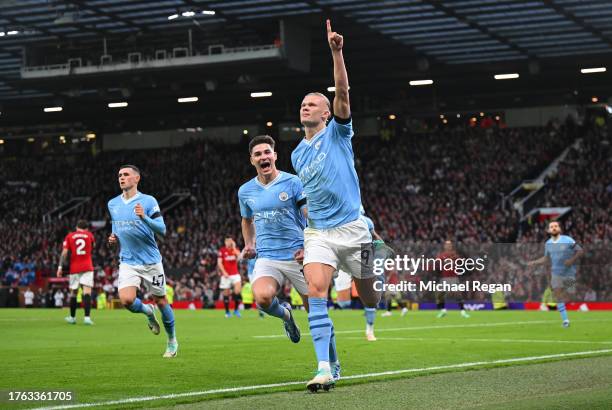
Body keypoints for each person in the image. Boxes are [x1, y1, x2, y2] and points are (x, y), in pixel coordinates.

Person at [291, 20, 381, 392]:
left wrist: (336, 52)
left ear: (326, 113)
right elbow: (308, 198)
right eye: (302, 103)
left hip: (353, 227)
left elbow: (342, 91)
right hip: (320, 234)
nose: (305, 106)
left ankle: (374, 293)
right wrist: (304, 235)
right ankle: (325, 367)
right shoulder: (296, 154)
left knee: (368, 291)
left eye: (313, 103)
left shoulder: (338, 133)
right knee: (316, 291)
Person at [239, 134, 309, 341]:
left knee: (316, 312)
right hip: (268, 256)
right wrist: (249, 244)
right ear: (252, 160)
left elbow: (308, 215)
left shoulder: (293, 182)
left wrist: (310, 245)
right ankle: (287, 316)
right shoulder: (245, 191)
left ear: (275, 156)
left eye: (267, 152)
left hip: (298, 254)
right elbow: (246, 220)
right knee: (262, 298)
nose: (263, 157)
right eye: (257, 154)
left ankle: (330, 363)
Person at [107, 164, 178, 357]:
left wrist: (144, 217)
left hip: (150, 262)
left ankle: (171, 340)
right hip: (128, 261)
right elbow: (117, 229)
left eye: (126, 174)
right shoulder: (113, 203)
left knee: (162, 301)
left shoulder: (148, 201)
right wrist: (113, 239)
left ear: (136, 178)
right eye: (120, 175)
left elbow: (162, 230)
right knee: (127, 300)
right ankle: (147, 311)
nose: (122, 177)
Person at [527, 220, 583, 327]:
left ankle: (579, 307)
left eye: (556, 226)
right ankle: (565, 321)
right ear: (548, 230)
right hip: (556, 273)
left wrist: (571, 260)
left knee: (570, 295)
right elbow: (546, 258)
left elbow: (580, 251)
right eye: (551, 226)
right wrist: (534, 262)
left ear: (559, 229)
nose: (554, 228)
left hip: (569, 273)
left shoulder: (568, 240)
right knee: (558, 295)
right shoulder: (548, 244)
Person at [57, 219, 96, 325]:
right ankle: (87, 318)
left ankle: (72, 317)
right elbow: (93, 247)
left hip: (75, 268)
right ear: (86, 228)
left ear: (77, 227)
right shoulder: (90, 235)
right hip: (87, 266)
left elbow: (64, 253)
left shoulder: (69, 236)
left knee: (73, 292)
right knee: (87, 292)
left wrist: (60, 267)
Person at [435, 240, 470, 319]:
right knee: (440, 294)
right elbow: (437, 264)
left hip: (453, 277)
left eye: (449, 245)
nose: (448, 246)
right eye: (447, 245)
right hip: (445, 278)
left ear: (451, 246)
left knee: (458, 294)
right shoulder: (441, 255)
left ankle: (463, 312)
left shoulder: (454, 255)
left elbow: (460, 262)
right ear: (444, 246)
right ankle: (443, 310)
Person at [218, 236, 242, 318]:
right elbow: (219, 263)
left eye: (230, 241)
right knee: (226, 293)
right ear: (225, 242)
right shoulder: (222, 250)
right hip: (226, 275)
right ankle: (227, 312)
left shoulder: (235, 250)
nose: (228, 242)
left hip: (235, 274)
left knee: (237, 291)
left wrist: (234, 247)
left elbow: (240, 256)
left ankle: (236, 310)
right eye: (227, 241)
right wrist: (224, 272)